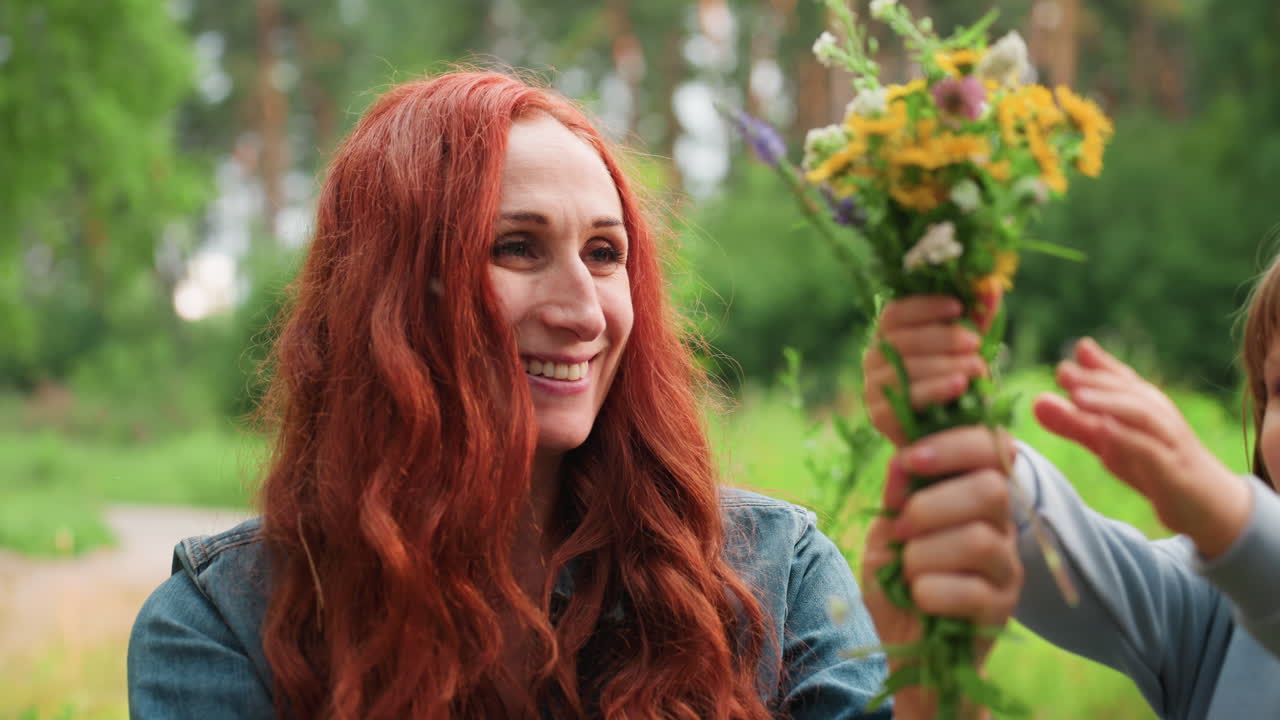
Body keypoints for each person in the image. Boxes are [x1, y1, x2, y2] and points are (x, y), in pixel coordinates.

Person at [125, 70, 1018, 719]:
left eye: (604, 253)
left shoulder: (772, 578)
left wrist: (933, 689)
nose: (585, 311)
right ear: (391, 297)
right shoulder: (226, 622)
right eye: (516, 247)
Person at [861, 262, 1280, 718]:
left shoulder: (1237, 543)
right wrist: (954, 427)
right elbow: (1072, 566)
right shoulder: (1215, 605)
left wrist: (1230, 516)